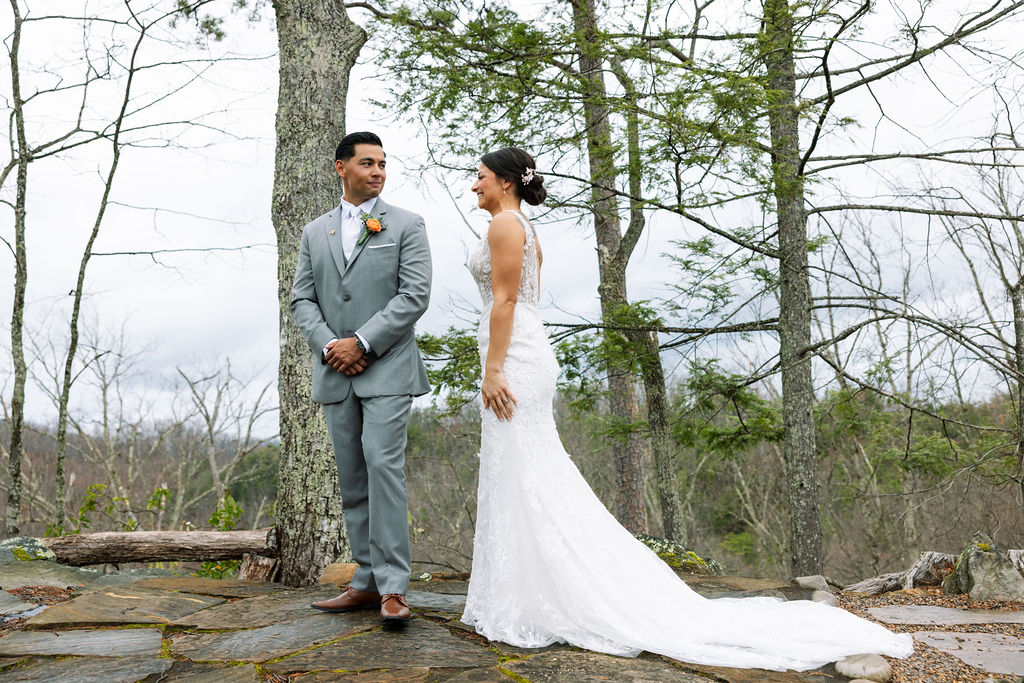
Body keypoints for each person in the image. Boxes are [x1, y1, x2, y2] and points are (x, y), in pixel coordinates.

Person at [461, 146, 914, 670]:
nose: (475, 186)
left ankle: (550, 595)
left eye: (482, 177)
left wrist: (493, 370)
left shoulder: (506, 227)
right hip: (521, 348)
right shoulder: (521, 226)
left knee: (525, 468)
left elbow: (507, 301)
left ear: (508, 181)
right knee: (521, 470)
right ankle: (526, 591)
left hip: (513, 355)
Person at [290, 131, 432, 623]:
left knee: (383, 469)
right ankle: (366, 582)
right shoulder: (314, 232)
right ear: (340, 168)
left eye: (383, 164)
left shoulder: (407, 225)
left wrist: (363, 342)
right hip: (335, 370)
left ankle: (394, 587)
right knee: (352, 479)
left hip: (388, 368)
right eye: (367, 163)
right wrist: (331, 345)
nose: (377, 171)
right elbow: (301, 299)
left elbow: (414, 296)